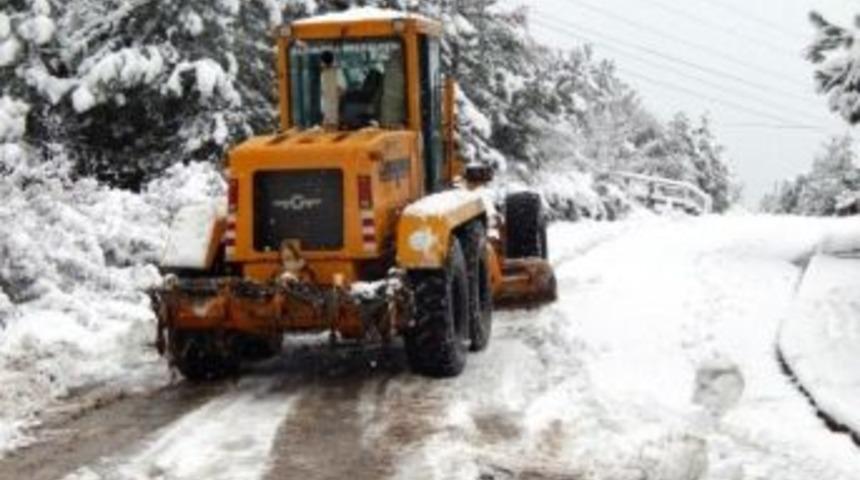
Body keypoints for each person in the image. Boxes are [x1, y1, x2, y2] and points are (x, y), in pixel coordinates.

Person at [320, 50, 343, 128]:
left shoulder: (335, 73)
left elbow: (341, 90)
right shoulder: (325, 74)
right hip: (328, 111)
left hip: (332, 112)